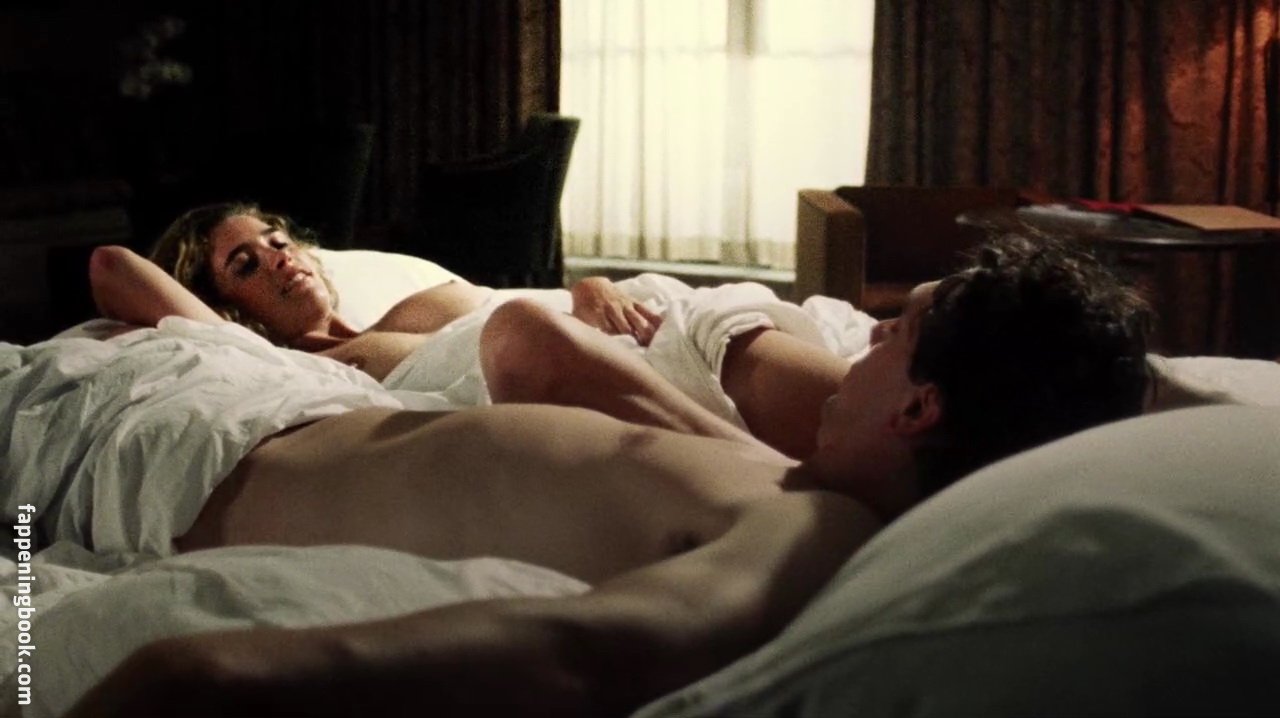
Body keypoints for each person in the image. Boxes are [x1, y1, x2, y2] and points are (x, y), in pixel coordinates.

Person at [63, 234, 1152, 716]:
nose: (858, 344)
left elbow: (588, 656)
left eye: (890, 336)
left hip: (173, 461)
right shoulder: (792, 491)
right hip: (230, 422)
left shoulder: (815, 534)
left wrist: (211, 679)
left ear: (919, 410)